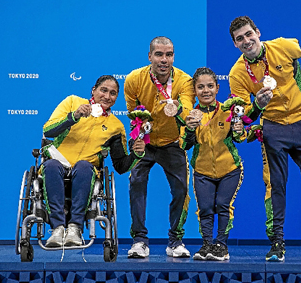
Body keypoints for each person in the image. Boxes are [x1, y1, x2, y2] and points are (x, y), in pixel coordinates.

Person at [228, 16, 301, 262]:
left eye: (248, 34)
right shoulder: (237, 73)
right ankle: (276, 242)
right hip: (273, 129)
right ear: (235, 44)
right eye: (239, 39)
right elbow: (245, 115)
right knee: (275, 185)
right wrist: (257, 105)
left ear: (257, 32)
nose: (246, 41)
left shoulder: (284, 47)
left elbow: (298, 48)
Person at [43, 75, 145, 248]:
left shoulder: (116, 126)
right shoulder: (73, 102)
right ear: (93, 90)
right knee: (51, 165)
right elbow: (48, 130)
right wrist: (73, 116)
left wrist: (136, 154)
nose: (107, 96)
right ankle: (58, 229)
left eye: (113, 93)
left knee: (84, 166)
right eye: (103, 90)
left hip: (86, 171)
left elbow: (120, 166)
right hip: (58, 162)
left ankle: (75, 228)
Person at [124, 36, 195, 258]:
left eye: (169, 54)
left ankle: (175, 240)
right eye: (159, 54)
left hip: (171, 143)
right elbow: (133, 115)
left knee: (181, 189)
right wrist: (139, 133)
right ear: (150, 56)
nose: (164, 60)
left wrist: (180, 109)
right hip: (144, 141)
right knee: (136, 182)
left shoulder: (184, 81)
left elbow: (187, 111)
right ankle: (139, 240)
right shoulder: (134, 79)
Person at [180, 67, 246, 261]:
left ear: (217, 88)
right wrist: (190, 129)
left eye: (210, 86)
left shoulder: (227, 111)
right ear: (195, 90)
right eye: (200, 87)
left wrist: (239, 128)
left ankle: (221, 245)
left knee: (223, 205)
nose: (206, 90)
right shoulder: (190, 115)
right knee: (205, 208)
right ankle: (207, 244)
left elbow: (240, 137)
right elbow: (184, 144)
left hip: (230, 169)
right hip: (202, 171)